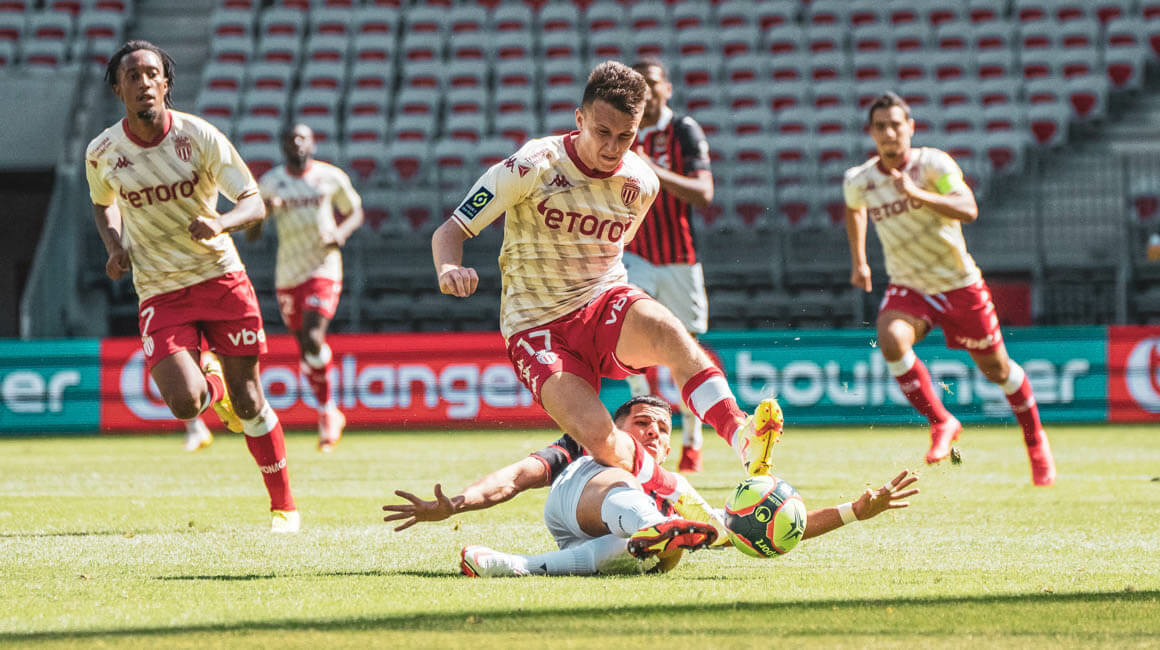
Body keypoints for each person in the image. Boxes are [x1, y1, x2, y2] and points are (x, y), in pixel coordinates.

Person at [430, 61, 782, 518]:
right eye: (602, 132)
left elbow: (611, 250)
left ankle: (741, 434)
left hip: (601, 300)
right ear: (579, 119)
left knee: (671, 333)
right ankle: (679, 497)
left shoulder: (642, 182)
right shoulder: (532, 164)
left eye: (625, 136)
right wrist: (449, 268)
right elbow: (451, 230)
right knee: (600, 438)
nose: (613, 148)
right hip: (536, 326)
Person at [86, 40, 299, 531]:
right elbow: (102, 203)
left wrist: (221, 223)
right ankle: (212, 383)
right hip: (159, 288)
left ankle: (284, 507)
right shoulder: (102, 152)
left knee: (249, 402)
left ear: (166, 84)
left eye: (152, 74)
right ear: (118, 89)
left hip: (221, 278)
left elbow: (253, 201)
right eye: (133, 76)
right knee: (184, 402)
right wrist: (114, 246)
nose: (144, 83)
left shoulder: (199, 136)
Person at [383, 396, 919, 577]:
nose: (655, 432)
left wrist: (855, 510)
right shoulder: (585, 443)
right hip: (580, 498)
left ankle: (518, 566)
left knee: (658, 551)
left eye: (663, 428)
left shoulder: (676, 485)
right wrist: (457, 503)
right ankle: (656, 530)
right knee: (636, 493)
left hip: (606, 538)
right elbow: (519, 476)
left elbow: (749, 530)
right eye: (642, 423)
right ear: (616, 425)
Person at [843, 92, 1056, 487]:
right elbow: (853, 209)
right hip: (910, 285)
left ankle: (1035, 441)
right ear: (871, 133)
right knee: (890, 338)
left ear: (910, 127)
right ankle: (942, 421)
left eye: (895, 124)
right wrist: (859, 260)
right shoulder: (860, 180)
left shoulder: (933, 165)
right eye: (880, 127)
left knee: (999, 371)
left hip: (959, 284)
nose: (889, 133)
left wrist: (916, 194)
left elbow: (968, 207)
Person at [622, 59, 716, 474]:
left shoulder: (684, 130)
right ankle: (642, 439)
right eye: (638, 83)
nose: (646, 90)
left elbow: (704, 193)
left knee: (685, 354)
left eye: (652, 82)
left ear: (668, 88)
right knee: (629, 346)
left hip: (679, 260)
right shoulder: (621, 132)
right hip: (633, 256)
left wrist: (654, 171)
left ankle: (692, 443)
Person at [249, 123, 363, 452]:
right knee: (306, 349)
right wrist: (265, 212)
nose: (297, 143)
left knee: (313, 338)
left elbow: (355, 211)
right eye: (291, 139)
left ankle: (327, 413)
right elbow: (252, 234)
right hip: (288, 273)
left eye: (303, 138)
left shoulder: (330, 177)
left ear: (312, 144)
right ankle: (329, 410)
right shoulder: (270, 183)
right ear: (283, 146)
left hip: (323, 267)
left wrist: (340, 233)